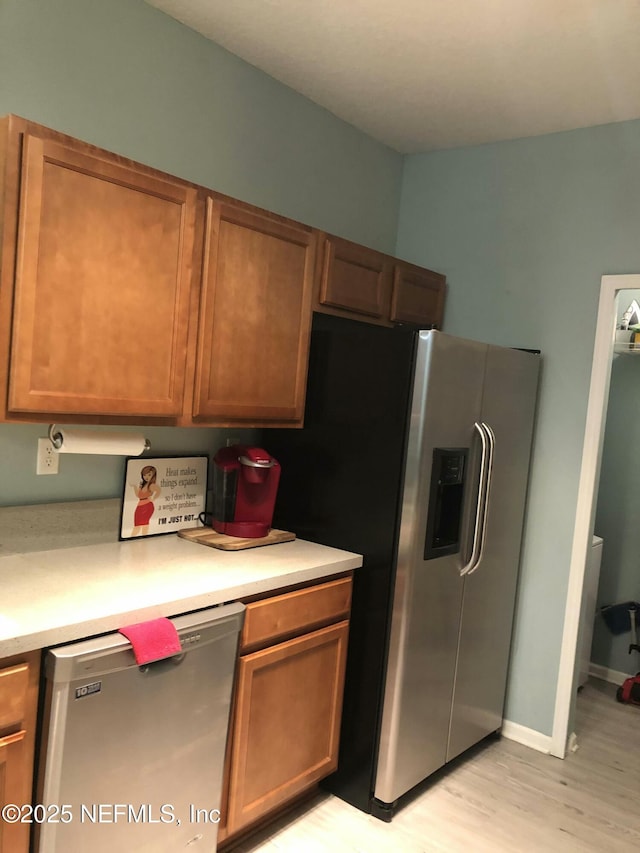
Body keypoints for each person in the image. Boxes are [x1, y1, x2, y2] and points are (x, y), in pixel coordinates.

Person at [131, 465, 160, 536]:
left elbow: (158, 491)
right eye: (144, 475)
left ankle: (140, 538)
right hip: (140, 506)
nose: (146, 477)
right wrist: (135, 486)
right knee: (138, 525)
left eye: (149, 475)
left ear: (153, 475)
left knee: (142, 525)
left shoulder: (151, 485)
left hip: (146, 506)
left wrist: (153, 499)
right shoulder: (143, 484)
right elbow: (138, 495)